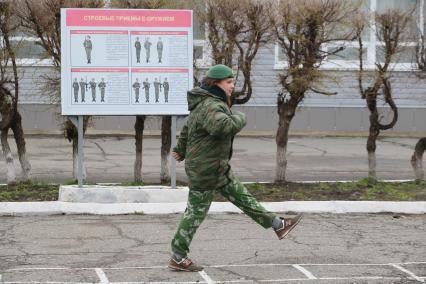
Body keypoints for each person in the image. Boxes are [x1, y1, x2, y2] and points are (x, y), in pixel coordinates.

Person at [168, 64, 302, 272]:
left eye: (232, 82)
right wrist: (240, 116)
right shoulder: (212, 106)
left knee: (242, 197)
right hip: (206, 169)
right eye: (229, 82)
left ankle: (279, 225)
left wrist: (181, 149)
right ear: (216, 84)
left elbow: (188, 128)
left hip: (213, 166)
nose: (232, 86)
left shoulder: (204, 103)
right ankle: (178, 256)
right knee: (195, 213)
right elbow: (224, 127)